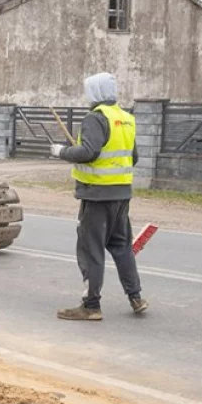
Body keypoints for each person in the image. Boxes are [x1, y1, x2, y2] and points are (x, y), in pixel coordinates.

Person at [50, 72, 147, 320]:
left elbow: (89, 152)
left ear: (94, 92)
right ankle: (136, 297)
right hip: (121, 194)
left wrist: (62, 151)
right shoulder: (126, 118)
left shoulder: (96, 118)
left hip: (96, 196)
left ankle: (91, 305)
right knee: (121, 246)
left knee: (91, 249)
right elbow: (132, 157)